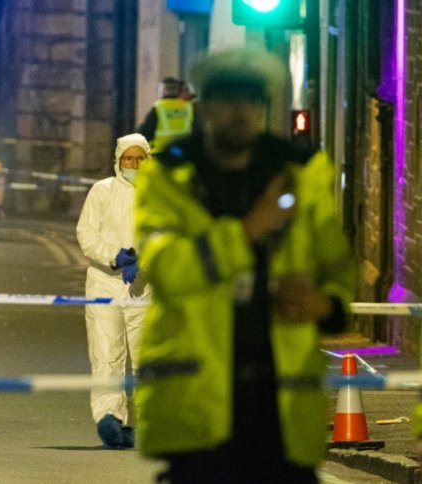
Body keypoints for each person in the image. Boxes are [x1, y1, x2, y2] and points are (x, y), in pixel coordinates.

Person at [133, 48, 355, 482]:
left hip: (281, 414)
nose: (241, 112)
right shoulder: (170, 178)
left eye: (252, 101)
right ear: (206, 106)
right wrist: (250, 228)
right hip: (196, 416)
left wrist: (324, 305)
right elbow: (169, 272)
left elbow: (336, 269)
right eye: (227, 99)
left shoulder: (300, 173)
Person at [76, 133, 152, 449]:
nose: (133, 165)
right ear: (118, 161)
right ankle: (110, 417)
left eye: (139, 159)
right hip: (104, 284)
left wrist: (142, 259)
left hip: (144, 289)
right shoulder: (102, 191)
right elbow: (86, 233)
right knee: (106, 353)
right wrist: (115, 255)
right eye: (128, 159)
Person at [138, 77, 195, 155]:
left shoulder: (158, 108)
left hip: (161, 155)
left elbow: (145, 133)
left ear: (161, 91)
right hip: (184, 155)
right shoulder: (189, 107)